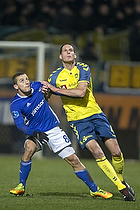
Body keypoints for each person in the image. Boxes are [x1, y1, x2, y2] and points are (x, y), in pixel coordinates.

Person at [42, 43, 135, 202]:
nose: (69, 52)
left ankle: (121, 179)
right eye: (65, 50)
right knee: (97, 152)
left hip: (95, 114)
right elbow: (47, 97)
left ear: (75, 55)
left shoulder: (83, 68)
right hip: (78, 120)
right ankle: (122, 189)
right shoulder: (55, 77)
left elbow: (81, 92)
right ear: (60, 56)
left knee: (116, 152)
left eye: (71, 50)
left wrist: (54, 90)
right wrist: (46, 93)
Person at [9, 72, 112, 199]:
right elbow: (20, 125)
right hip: (35, 131)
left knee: (74, 160)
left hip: (53, 130)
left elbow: (48, 89)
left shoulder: (37, 85)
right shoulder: (15, 104)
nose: (26, 82)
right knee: (29, 149)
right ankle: (21, 186)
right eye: (22, 81)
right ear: (16, 86)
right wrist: (35, 133)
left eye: (27, 79)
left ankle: (95, 189)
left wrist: (47, 92)